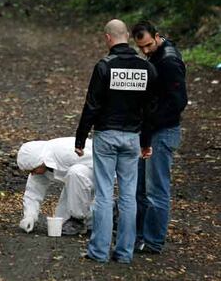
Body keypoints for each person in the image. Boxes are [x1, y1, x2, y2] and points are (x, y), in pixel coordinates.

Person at [75, 19, 157, 263]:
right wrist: (146, 141)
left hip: (106, 136)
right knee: (129, 196)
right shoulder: (146, 69)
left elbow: (92, 106)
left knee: (103, 195)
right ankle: (124, 253)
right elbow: (150, 109)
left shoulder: (104, 66)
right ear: (128, 38)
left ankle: (99, 252)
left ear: (108, 38)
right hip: (132, 138)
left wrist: (80, 138)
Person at [132, 21, 187, 254]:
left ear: (156, 36)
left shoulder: (169, 60)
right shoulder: (158, 55)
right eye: (140, 47)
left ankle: (153, 241)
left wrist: (151, 122)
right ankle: (141, 235)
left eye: (147, 45)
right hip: (150, 130)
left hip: (162, 133)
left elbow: (178, 102)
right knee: (141, 188)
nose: (145, 51)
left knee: (156, 190)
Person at [17, 137, 94, 236]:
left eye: (32, 170)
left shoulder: (64, 152)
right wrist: (29, 216)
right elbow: (33, 191)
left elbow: (100, 161)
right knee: (62, 223)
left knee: (75, 172)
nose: (31, 174)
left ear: (38, 162)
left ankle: (78, 220)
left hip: (97, 171)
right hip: (77, 182)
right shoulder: (41, 163)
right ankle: (105, 215)